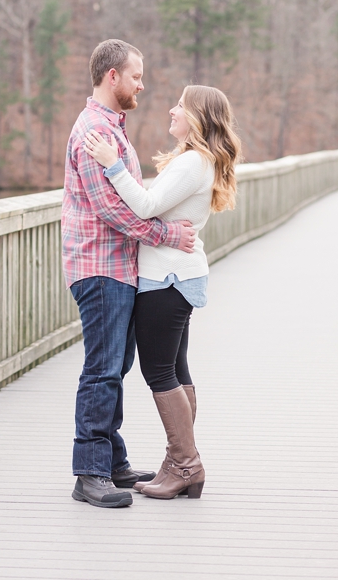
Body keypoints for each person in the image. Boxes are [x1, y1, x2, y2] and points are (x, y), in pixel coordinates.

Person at [82, 84, 242, 500]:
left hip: (165, 279)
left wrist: (113, 164)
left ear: (198, 118)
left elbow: (146, 206)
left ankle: (186, 465)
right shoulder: (198, 161)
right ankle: (180, 463)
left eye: (180, 106)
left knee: (159, 372)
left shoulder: (193, 162)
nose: (172, 110)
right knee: (177, 369)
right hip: (178, 276)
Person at [63, 39, 197, 508]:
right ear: (112, 76)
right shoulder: (92, 134)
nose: (143, 84)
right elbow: (110, 210)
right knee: (102, 370)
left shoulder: (110, 130)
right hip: (100, 267)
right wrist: (166, 235)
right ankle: (90, 473)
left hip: (119, 268)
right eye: (137, 76)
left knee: (114, 368)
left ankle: (113, 463)